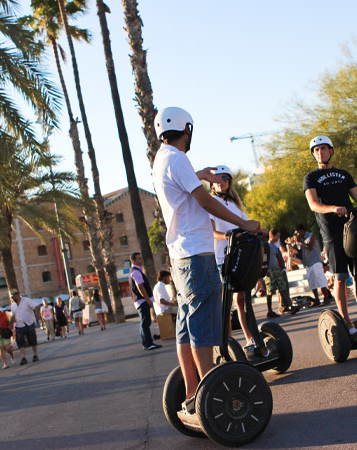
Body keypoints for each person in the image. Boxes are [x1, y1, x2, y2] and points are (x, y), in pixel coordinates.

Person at [152, 106, 260, 414]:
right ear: (187, 130)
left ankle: (192, 392)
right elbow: (204, 200)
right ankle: (209, 391)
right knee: (201, 325)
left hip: (179, 256)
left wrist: (199, 175)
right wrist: (244, 224)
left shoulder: (162, 158)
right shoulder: (178, 157)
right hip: (197, 255)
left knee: (186, 325)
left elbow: (184, 188)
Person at [303, 135, 357, 335]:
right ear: (314, 154)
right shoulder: (311, 178)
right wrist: (333, 208)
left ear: (331, 151)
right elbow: (313, 204)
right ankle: (346, 321)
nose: (320, 152)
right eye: (316, 150)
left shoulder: (344, 175)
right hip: (332, 232)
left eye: (323, 149)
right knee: (341, 276)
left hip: (352, 229)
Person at [209, 164, 266, 348]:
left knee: (241, 301)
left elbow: (247, 227)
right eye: (217, 179)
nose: (220, 182)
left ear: (229, 182)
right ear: (212, 184)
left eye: (224, 178)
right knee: (225, 305)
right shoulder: (209, 203)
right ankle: (227, 345)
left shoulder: (235, 205)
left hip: (240, 256)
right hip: (223, 259)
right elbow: (211, 233)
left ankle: (250, 339)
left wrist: (258, 231)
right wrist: (229, 235)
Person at [291, 224, 334, 307]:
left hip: (316, 260)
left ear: (302, 230)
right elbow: (301, 252)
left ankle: (326, 298)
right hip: (308, 263)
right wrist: (294, 246)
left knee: (320, 278)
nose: (297, 235)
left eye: (298, 232)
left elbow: (310, 247)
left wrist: (300, 242)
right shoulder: (302, 239)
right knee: (311, 281)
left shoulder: (311, 236)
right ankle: (316, 299)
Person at [129, 252, 162, 351]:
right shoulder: (136, 272)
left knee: (144, 322)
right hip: (142, 301)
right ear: (133, 261)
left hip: (140, 301)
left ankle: (146, 343)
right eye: (138, 259)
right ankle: (148, 343)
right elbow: (140, 287)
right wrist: (148, 300)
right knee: (145, 323)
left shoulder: (135, 271)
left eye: (141, 258)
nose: (141, 260)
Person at [265, 228, 298, 315]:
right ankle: (270, 310)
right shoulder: (266, 246)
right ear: (272, 235)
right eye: (277, 236)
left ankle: (291, 307)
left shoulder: (275, 247)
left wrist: (283, 269)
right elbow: (264, 259)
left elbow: (279, 258)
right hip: (269, 270)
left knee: (283, 288)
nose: (278, 238)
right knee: (269, 291)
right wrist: (265, 270)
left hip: (276, 270)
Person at [9, 289, 40, 365]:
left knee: (32, 340)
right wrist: (11, 322)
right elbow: (13, 315)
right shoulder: (13, 305)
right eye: (12, 297)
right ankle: (23, 357)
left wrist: (37, 313)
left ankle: (35, 354)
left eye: (14, 296)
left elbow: (36, 306)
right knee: (20, 341)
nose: (13, 298)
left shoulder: (27, 300)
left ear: (18, 294)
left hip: (29, 323)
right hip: (19, 325)